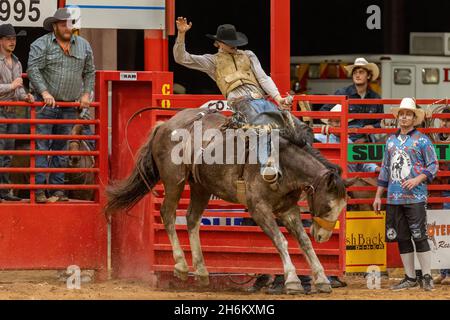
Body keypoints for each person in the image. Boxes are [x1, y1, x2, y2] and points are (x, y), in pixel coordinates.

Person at [173, 17, 293, 182]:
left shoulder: (249, 55)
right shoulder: (212, 61)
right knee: (264, 124)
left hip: (260, 99)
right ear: (219, 43)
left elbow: (263, 78)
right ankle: (267, 166)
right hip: (240, 102)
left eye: (234, 41)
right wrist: (181, 35)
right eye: (229, 42)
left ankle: (297, 171)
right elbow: (182, 58)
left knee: (289, 124)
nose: (234, 44)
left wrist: (278, 98)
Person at [27, 8, 95, 203]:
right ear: (55, 26)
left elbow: (90, 71)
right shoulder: (41, 44)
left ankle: (57, 190)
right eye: (63, 24)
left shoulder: (84, 45)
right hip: (45, 105)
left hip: (69, 105)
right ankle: (39, 190)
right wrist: (44, 92)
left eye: (70, 23)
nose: (67, 27)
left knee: (61, 147)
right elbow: (33, 69)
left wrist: (85, 94)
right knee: (42, 147)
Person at [373, 97, 438, 292]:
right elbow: (385, 168)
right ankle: (410, 277)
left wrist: (418, 179)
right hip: (393, 197)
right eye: (401, 114)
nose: (404, 117)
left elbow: (433, 165)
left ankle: (426, 276)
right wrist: (378, 195)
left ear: (414, 118)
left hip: (416, 197)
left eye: (408, 114)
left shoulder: (423, 140)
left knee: (419, 236)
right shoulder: (391, 141)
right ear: (398, 117)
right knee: (401, 237)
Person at [0, 23, 34, 202]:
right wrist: (11, 86)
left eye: (13, 39)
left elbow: (18, 90)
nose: (12, 42)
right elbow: (13, 86)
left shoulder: (17, 62)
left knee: (7, 154)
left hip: (11, 111)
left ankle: (4, 191)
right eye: (8, 39)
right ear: (0, 41)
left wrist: (25, 96)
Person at [320, 57, 383, 143]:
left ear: (368, 76)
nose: (357, 75)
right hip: (343, 139)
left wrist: (373, 127)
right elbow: (324, 112)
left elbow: (381, 122)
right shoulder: (341, 93)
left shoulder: (376, 97)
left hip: (367, 139)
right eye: (355, 73)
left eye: (361, 72)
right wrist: (334, 125)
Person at [434, 107, 450, 285]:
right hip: (442, 188)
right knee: (443, 232)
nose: (444, 124)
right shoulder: (436, 139)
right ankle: (444, 272)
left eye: (447, 121)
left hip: (445, 187)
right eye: (442, 120)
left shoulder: (437, 140)